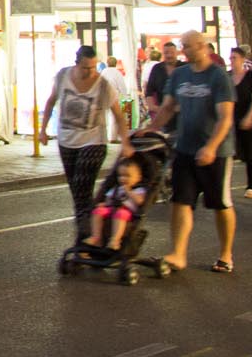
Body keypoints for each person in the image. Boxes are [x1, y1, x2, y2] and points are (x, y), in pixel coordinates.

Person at [144, 29, 235, 273]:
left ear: (202, 46)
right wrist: (150, 129)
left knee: (220, 204)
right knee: (181, 201)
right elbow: (168, 107)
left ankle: (225, 254)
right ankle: (178, 254)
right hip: (184, 148)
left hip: (216, 152)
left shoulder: (218, 76)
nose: (184, 50)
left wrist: (211, 147)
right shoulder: (181, 74)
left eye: (188, 46)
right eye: (183, 46)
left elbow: (225, 117)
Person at [41, 44, 122, 241]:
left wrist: (126, 142)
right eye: (86, 67)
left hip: (94, 141)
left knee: (82, 186)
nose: (91, 72)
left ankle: (85, 234)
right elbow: (51, 100)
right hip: (67, 140)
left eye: (94, 67)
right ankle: (93, 229)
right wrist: (42, 130)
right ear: (77, 64)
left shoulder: (103, 85)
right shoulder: (63, 77)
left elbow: (118, 115)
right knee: (76, 189)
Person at [87, 155, 150, 252]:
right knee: (97, 211)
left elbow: (140, 201)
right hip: (112, 208)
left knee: (120, 213)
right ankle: (96, 238)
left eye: (127, 176)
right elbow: (109, 199)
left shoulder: (139, 190)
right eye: (121, 176)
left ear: (138, 178)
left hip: (127, 212)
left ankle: (115, 240)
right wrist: (104, 204)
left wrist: (129, 192)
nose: (123, 179)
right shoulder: (117, 188)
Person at [229, 47, 252, 199]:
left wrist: (250, 117)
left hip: (246, 118)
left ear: (242, 59)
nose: (232, 61)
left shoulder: (251, 77)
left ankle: (251, 186)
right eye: (230, 58)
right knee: (228, 154)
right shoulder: (227, 77)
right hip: (229, 120)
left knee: (249, 153)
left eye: (235, 58)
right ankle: (224, 185)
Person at [142, 39, 180, 110]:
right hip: (162, 111)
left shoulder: (183, 67)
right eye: (166, 53)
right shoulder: (157, 68)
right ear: (163, 54)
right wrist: (152, 107)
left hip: (182, 113)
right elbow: (149, 90)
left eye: (172, 52)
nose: (169, 55)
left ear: (176, 53)